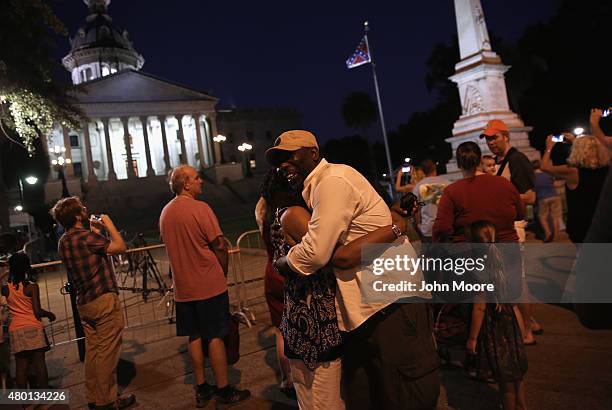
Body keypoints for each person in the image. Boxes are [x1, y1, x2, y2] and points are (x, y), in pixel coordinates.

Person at [268, 130, 440, 410]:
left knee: (406, 392)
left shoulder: (332, 181)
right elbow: (331, 253)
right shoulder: (318, 188)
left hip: (391, 304)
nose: (283, 164)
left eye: (290, 155)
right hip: (372, 309)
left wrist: (285, 262)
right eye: (278, 160)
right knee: (376, 392)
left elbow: (315, 253)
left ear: (313, 153)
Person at [159, 165, 250, 408]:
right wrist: (223, 270)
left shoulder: (166, 213)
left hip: (183, 288)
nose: (202, 181)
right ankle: (223, 388)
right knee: (216, 336)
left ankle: (201, 387)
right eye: (197, 178)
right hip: (208, 284)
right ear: (185, 184)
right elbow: (219, 245)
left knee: (195, 336)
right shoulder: (200, 209)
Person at [51, 197, 135, 410]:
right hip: (103, 300)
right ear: (78, 215)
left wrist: (94, 231)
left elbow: (91, 253)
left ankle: (94, 398)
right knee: (108, 353)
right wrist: (109, 225)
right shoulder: (86, 238)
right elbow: (119, 247)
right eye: (82, 209)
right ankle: (107, 401)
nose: (86, 209)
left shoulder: (64, 241)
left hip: (85, 302)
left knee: (94, 353)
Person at [481, 119, 541, 345]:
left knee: (518, 280)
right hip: (506, 227)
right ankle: (530, 322)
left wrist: (500, 198)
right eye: (487, 139)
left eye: (494, 137)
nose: (490, 142)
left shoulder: (517, 159)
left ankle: (527, 331)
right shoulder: (503, 161)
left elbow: (531, 197)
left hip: (514, 228)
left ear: (506, 136)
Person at [465, 221, 528, 410]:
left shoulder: (479, 272)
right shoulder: (505, 267)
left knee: (505, 383)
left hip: (495, 332)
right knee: (517, 375)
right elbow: (514, 306)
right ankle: (522, 406)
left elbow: (480, 308)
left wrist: (472, 338)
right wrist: (522, 332)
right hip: (512, 329)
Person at [255, 170, 297, 399]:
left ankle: (286, 378)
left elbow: (260, 205)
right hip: (290, 274)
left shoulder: (264, 216)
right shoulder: (292, 215)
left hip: (271, 273)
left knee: (281, 331)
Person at [540, 134, 610, 243]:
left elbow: (544, 167)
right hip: (602, 222)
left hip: (581, 224)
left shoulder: (572, 171)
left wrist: (549, 147)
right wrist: (576, 141)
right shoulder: (605, 169)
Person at [0, 252, 55, 391]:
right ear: (26, 267)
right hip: (32, 327)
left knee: (21, 367)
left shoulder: (6, 289)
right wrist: (49, 314)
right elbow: (37, 311)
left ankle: (26, 402)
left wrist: (5, 273)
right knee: (39, 364)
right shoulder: (31, 286)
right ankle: (44, 396)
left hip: (16, 329)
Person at [412, 159, 450, 241]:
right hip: (446, 226)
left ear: (422, 171)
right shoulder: (447, 183)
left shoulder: (418, 186)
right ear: (434, 167)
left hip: (428, 229)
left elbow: (416, 209)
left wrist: (419, 224)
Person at [532, 159, 562, 242]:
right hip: (554, 196)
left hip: (543, 198)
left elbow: (533, 189)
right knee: (555, 217)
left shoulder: (533, 177)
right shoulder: (547, 175)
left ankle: (548, 232)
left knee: (542, 217)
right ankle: (556, 236)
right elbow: (554, 183)